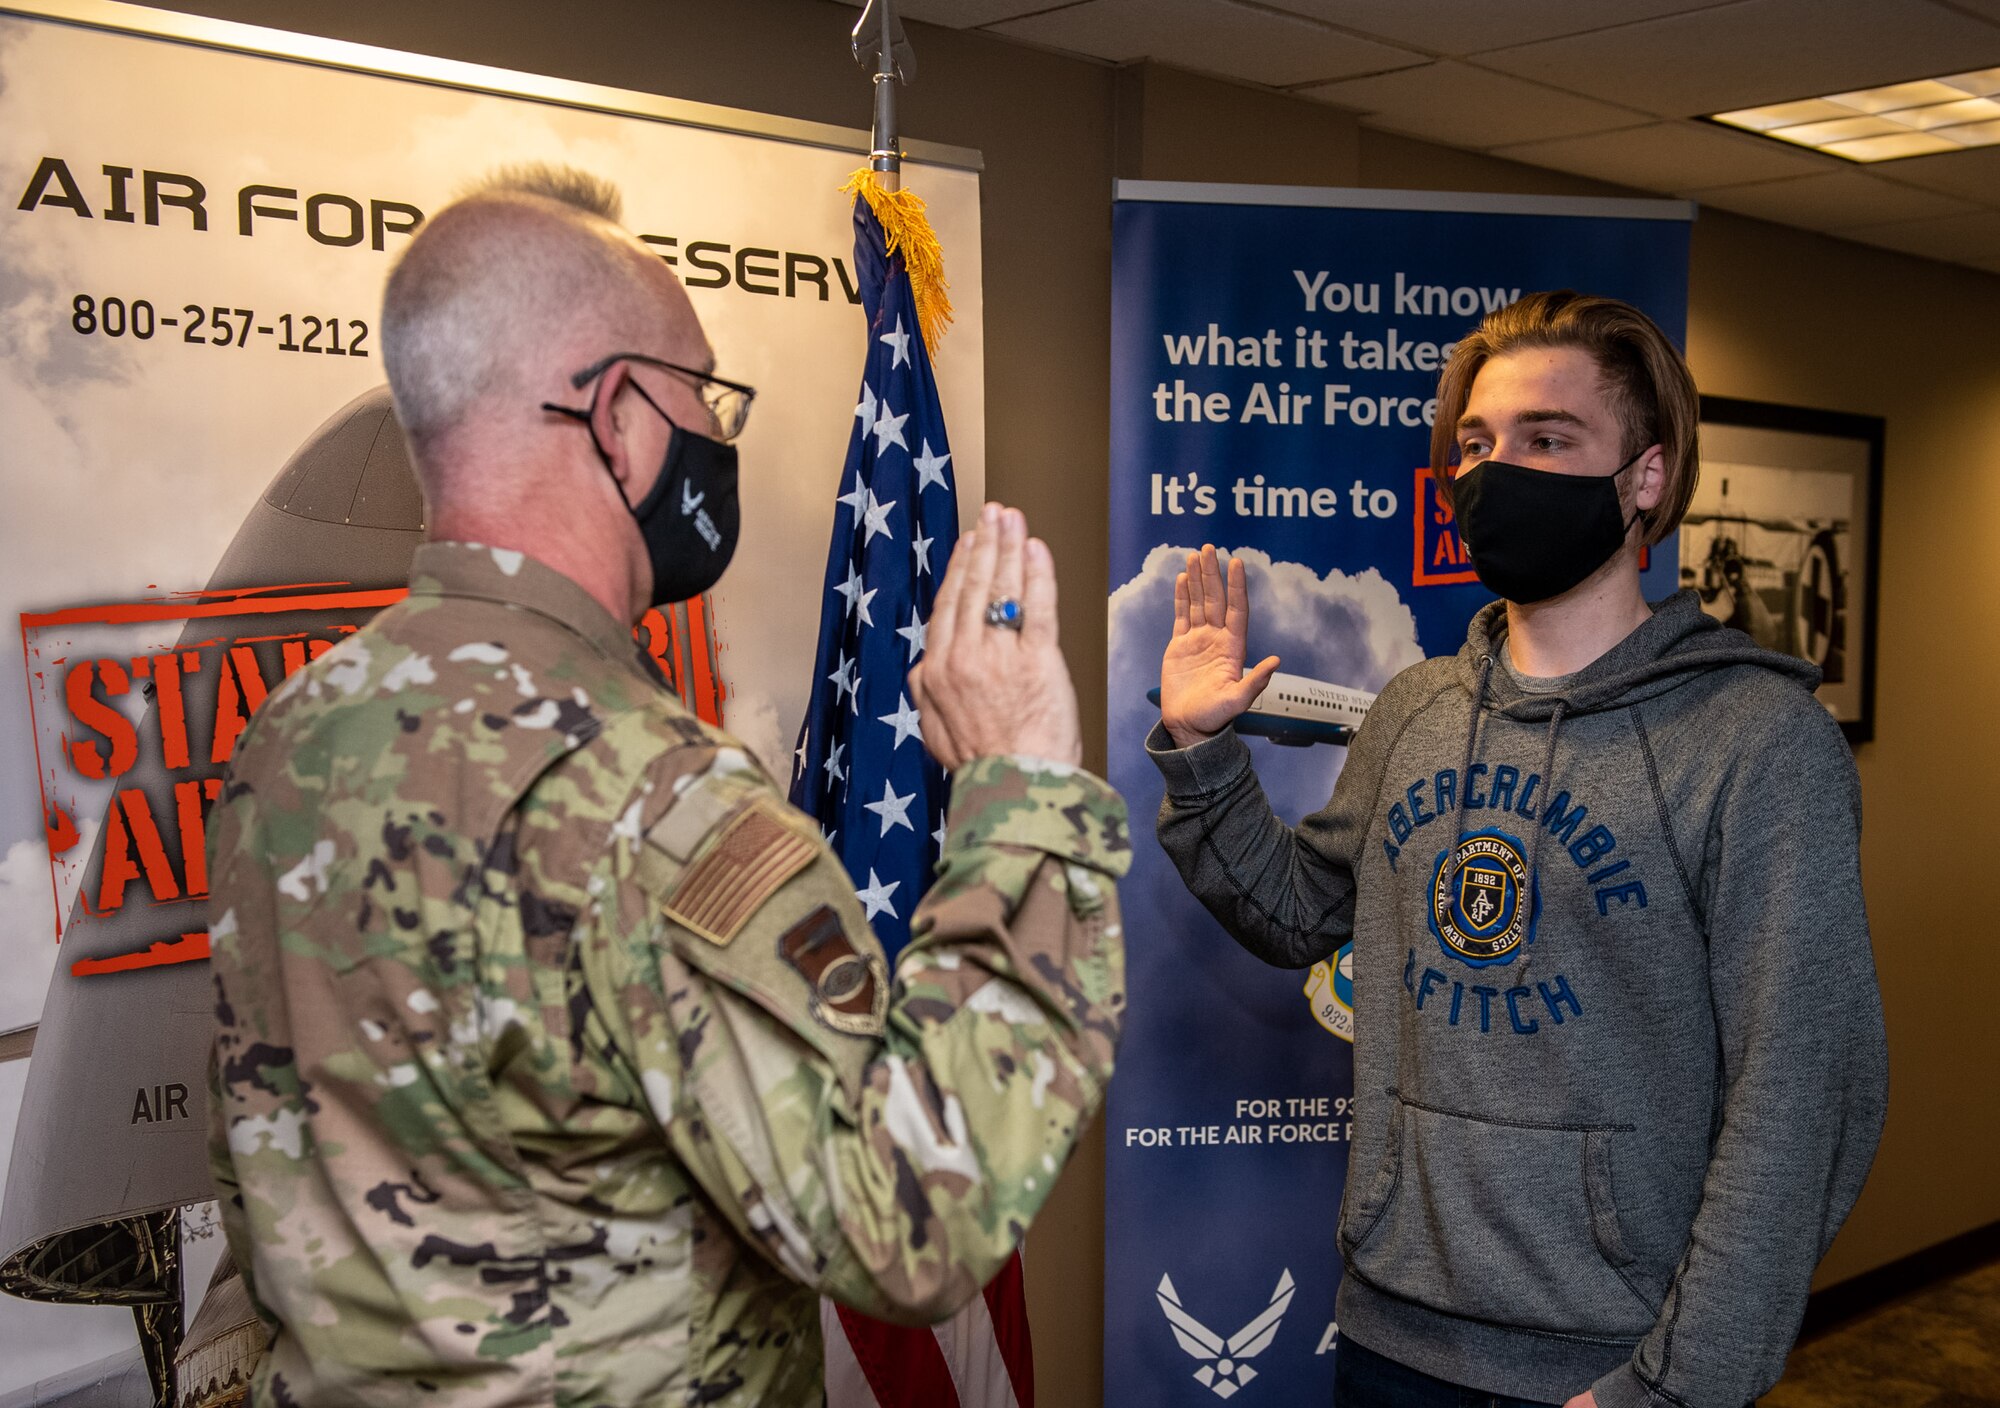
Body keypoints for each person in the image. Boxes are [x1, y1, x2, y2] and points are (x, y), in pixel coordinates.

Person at [203, 165, 1129, 1407]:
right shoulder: (651, 797)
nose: (715, 432)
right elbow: (907, 1223)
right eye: (705, 393)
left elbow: (256, 1160)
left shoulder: (293, 736)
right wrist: (1020, 794)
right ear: (620, 413)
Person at [1149, 291, 1885, 1408]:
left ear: (1644, 476)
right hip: (1387, 1337)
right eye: (1477, 444)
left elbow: (1800, 1100)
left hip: (1608, 1369)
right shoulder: (1416, 707)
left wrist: (1678, 1384)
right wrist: (1202, 748)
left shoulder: (1756, 742)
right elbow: (1298, 913)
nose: (1497, 472)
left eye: (1547, 440)